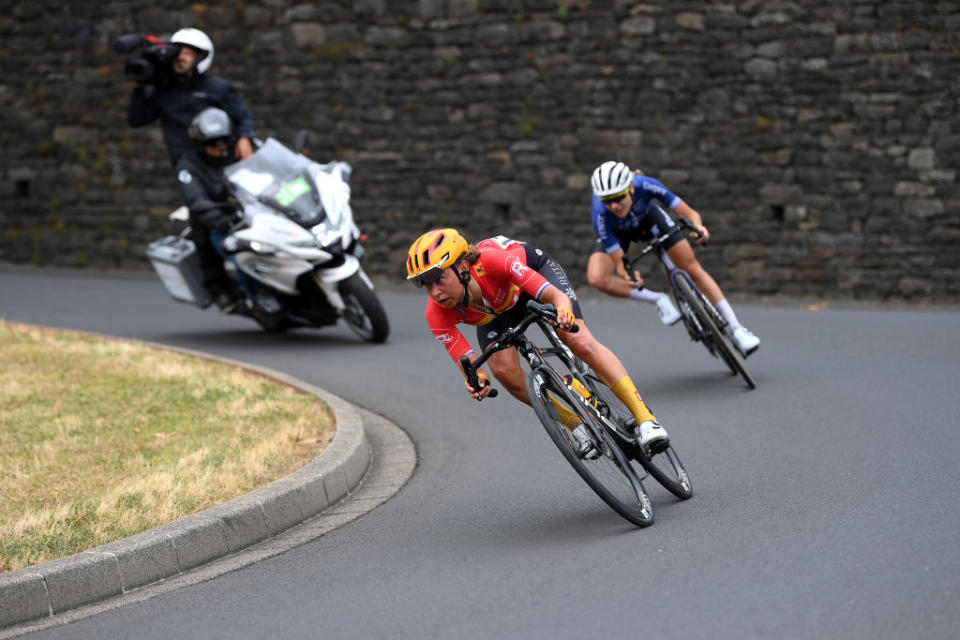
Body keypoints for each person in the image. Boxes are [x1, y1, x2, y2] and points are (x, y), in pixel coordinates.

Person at [407, 228, 670, 458]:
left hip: (529, 280)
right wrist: (476, 381)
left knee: (577, 339)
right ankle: (575, 423)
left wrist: (563, 312)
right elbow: (469, 364)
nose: (435, 292)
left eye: (439, 278)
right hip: (496, 313)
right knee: (503, 372)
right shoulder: (436, 313)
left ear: (463, 267)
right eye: (425, 285)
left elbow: (555, 296)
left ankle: (646, 419)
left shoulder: (493, 262)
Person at [587, 161, 760, 356]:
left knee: (692, 269)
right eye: (607, 200)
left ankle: (737, 329)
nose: (614, 205)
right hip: (619, 233)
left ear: (631, 188)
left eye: (618, 197)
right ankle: (658, 300)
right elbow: (620, 263)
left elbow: (689, 213)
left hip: (650, 219)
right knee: (596, 277)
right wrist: (629, 275)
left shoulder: (646, 184)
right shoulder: (600, 214)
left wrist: (698, 227)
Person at [127, 28, 255, 167]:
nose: (180, 58)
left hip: (222, 163)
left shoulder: (218, 88)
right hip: (188, 167)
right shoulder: (165, 90)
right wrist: (139, 87)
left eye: (187, 53)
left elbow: (242, 117)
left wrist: (244, 138)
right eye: (177, 53)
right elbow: (137, 119)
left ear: (201, 57)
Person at [175, 107, 244, 313]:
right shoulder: (188, 166)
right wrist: (217, 218)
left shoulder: (239, 150)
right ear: (200, 143)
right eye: (213, 143)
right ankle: (219, 289)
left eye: (223, 140)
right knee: (205, 237)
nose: (220, 146)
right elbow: (196, 199)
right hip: (217, 216)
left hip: (248, 209)